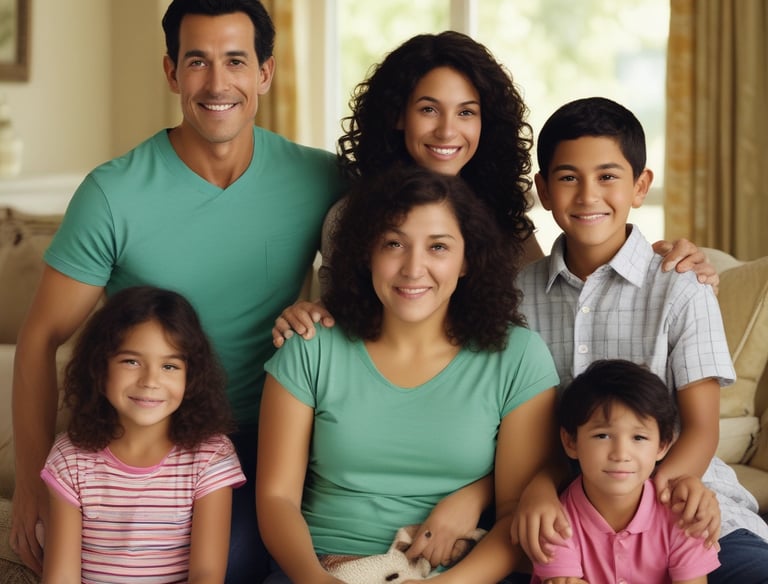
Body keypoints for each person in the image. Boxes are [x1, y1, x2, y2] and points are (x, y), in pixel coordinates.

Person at [11, 0, 341, 580]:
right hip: (159, 441)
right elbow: (39, 338)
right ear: (171, 72)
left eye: (236, 61)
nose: (218, 84)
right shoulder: (112, 194)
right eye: (198, 62)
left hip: (286, 435)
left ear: (265, 72)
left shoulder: (322, 179)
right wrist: (32, 482)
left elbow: (409, 254)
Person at [272, 31, 718, 347]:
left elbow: (562, 299)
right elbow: (337, 326)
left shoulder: (506, 221)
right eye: (429, 109)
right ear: (397, 115)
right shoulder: (351, 219)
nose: (448, 131)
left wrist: (690, 271)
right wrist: (306, 315)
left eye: (467, 112)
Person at [256, 165, 560, 583]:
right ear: (367, 253)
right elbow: (276, 498)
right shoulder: (309, 346)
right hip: (325, 565)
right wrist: (316, 580)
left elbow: (513, 514)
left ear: (467, 259)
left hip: (458, 572)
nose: (413, 268)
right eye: (394, 243)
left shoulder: (518, 356)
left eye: (438, 247)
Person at [516, 96, 768, 583]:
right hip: (569, 519)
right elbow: (528, 433)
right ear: (544, 190)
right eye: (568, 178)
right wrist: (539, 489)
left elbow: (701, 429)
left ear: (640, 185)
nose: (589, 195)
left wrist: (653, 504)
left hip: (681, 501)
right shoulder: (517, 297)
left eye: (608, 176)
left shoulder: (680, 286)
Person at [40, 286, 245, 583]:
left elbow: (206, 575)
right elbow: (61, 578)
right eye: (131, 361)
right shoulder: (70, 457)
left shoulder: (210, 456)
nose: (150, 381)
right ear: (99, 366)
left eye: (169, 366)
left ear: (192, 376)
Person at [531, 359, 721, 584]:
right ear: (571, 442)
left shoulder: (682, 516)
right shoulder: (555, 522)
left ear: (662, 446)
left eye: (639, 438)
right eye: (603, 436)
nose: (620, 454)